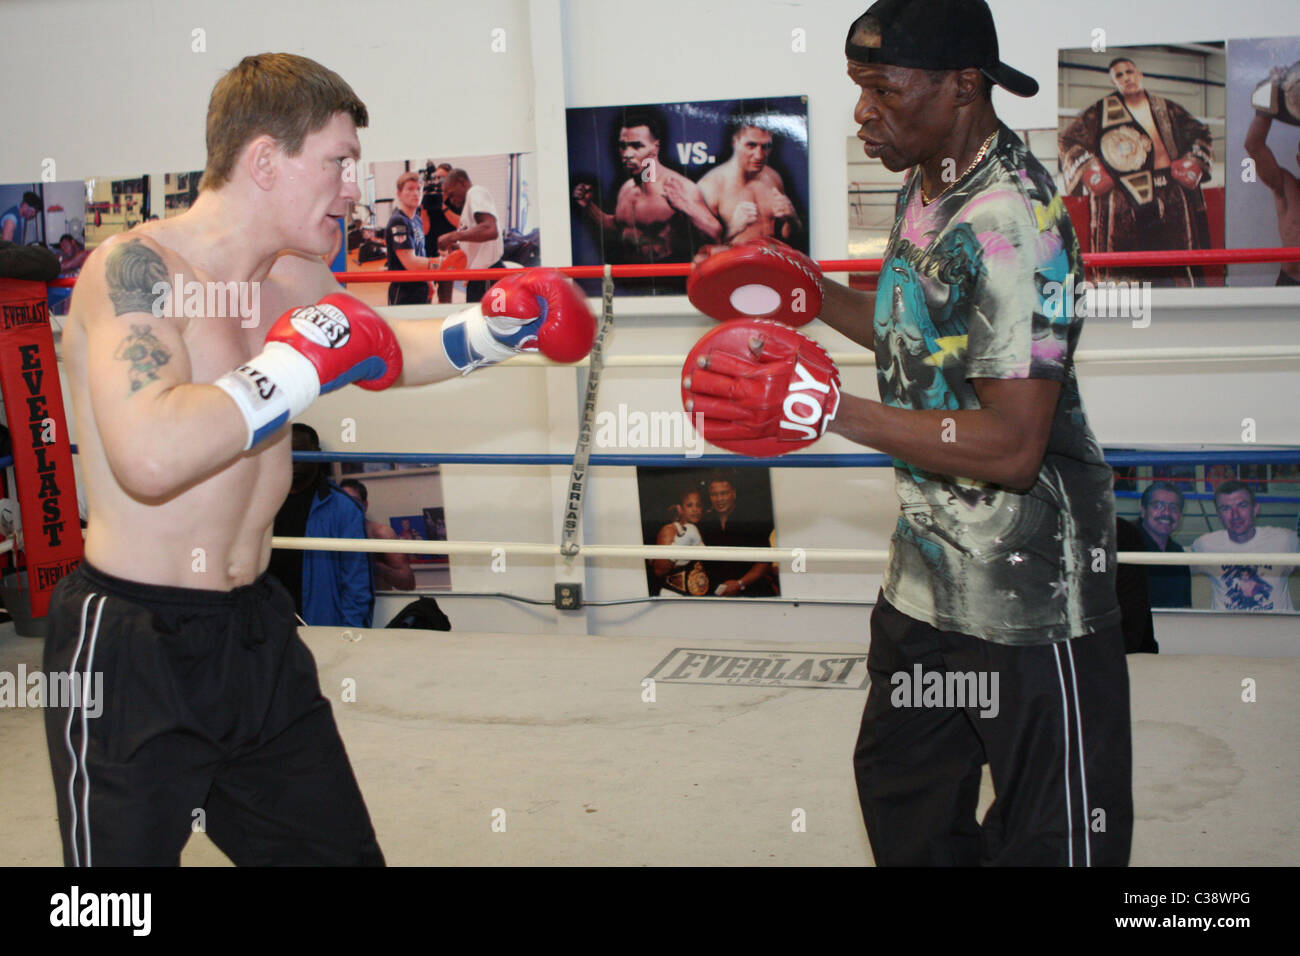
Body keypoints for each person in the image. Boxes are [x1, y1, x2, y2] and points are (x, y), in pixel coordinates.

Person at [42, 52, 596, 867]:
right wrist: (294, 365)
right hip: (131, 643)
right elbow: (151, 455)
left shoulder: (294, 273)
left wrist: (497, 331)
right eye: (337, 162)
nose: (351, 186)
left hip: (254, 631)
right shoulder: (138, 270)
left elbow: (379, 350)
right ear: (265, 159)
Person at [683, 0, 1131, 865]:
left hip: (1031, 596)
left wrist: (825, 408)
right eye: (859, 88)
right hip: (927, 575)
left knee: (1054, 841)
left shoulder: (1012, 222)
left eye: (883, 90)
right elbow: (913, 326)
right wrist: (807, 294)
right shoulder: (928, 183)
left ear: (963, 86)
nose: (862, 112)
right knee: (905, 797)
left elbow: (1011, 444)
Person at [1060, 56, 1214, 287]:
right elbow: (1067, 140)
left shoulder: (1166, 107)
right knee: (1124, 270)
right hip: (1123, 198)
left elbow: (1201, 133)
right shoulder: (1100, 111)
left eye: (1129, 71)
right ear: (1114, 83)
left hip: (1170, 192)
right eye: (1119, 75)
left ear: (1139, 75)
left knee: (1181, 263)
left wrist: (1194, 163)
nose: (1126, 78)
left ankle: (1188, 311)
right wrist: (1090, 169)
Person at [572, 110, 723, 265]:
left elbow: (715, 232)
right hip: (633, 277)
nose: (627, 154)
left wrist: (688, 208)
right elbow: (617, 229)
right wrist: (589, 206)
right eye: (623, 146)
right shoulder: (627, 189)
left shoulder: (677, 187)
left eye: (636, 146)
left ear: (655, 148)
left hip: (668, 277)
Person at [268, 424, 373, 626]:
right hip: (268, 625)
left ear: (317, 454)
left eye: (301, 452)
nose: (294, 460)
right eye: (287, 453)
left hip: (322, 625)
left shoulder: (344, 508)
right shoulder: (260, 503)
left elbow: (357, 583)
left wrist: (348, 635)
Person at [1191, 479, 1298, 611]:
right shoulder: (1205, 545)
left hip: (1276, 628)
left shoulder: (1285, 540)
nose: (1235, 515)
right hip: (1227, 628)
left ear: (1255, 509)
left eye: (1242, 505)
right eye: (1226, 508)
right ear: (1219, 515)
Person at [697, 114, 803, 245]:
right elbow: (701, 252)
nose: (759, 155)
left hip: (769, 261)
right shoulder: (710, 186)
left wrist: (792, 219)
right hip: (735, 263)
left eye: (765, 147)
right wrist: (733, 229)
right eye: (751, 145)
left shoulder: (773, 177)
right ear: (735, 143)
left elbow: (788, 236)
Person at [1243, 70, 1300, 286]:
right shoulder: (1286, 186)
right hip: (1291, 283)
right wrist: (1269, 93)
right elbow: (1253, 145)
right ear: (1299, 159)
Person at [695, 474, 777, 597]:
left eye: (724, 493)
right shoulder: (704, 523)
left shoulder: (750, 520)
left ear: (733, 494)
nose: (719, 499)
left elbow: (764, 561)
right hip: (717, 595)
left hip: (753, 592)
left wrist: (739, 583)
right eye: (714, 495)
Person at [436, 169, 505, 303]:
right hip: (478, 277)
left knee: (481, 322)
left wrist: (452, 236)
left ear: (461, 182)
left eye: (451, 194)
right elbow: (476, 236)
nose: (451, 200)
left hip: (487, 274)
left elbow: (490, 229)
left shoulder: (475, 192)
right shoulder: (468, 206)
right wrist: (458, 247)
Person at [339, 478, 416, 591]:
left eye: (353, 501)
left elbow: (408, 583)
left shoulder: (381, 533)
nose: (348, 507)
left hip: (379, 604)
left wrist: (375, 566)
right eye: (342, 501)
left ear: (365, 505)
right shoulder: (329, 534)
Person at [1136, 480, 1191, 608]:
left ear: (1180, 516)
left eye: (1174, 507)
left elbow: (1185, 606)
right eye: (1158, 506)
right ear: (1143, 511)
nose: (1166, 513)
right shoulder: (1124, 545)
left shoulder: (1178, 553)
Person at [383, 170, 435, 306]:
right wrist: (442, 263)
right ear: (399, 194)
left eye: (419, 189)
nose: (416, 193)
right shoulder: (398, 221)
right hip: (404, 290)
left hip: (421, 287)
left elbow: (421, 252)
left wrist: (430, 281)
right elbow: (410, 263)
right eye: (410, 189)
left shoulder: (417, 220)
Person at [651, 486, 707, 596]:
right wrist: (681, 543)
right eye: (689, 505)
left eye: (698, 505)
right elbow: (659, 570)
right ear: (680, 509)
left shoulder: (699, 531)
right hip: (672, 594)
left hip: (694, 596)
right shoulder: (670, 530)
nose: (695, 509)